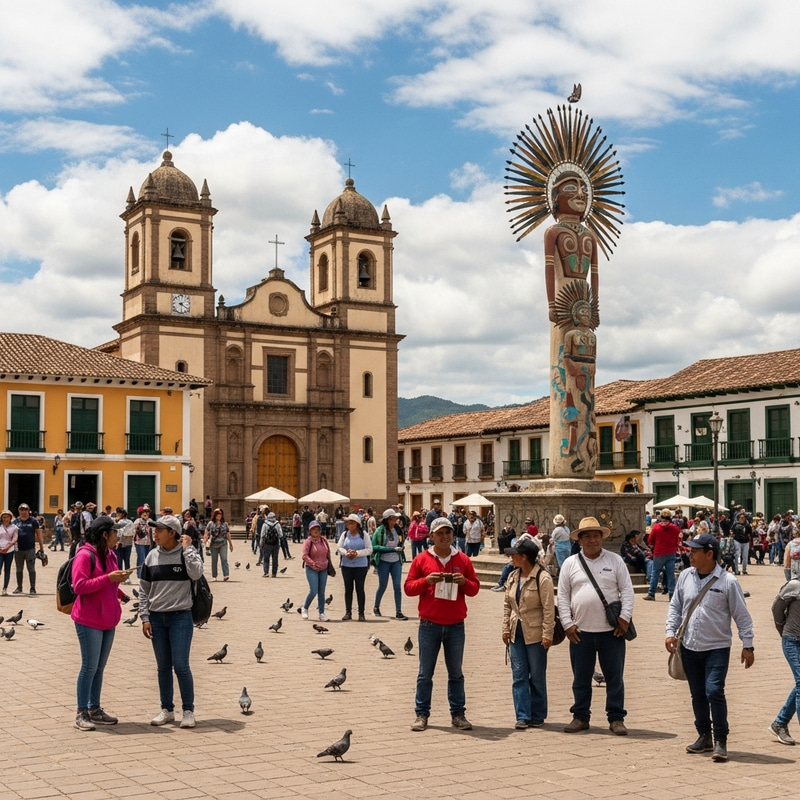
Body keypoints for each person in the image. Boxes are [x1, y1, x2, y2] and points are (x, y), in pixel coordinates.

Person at [665, 533, 754, 763]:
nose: (690, 554)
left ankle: (720, 739)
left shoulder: (728, 581)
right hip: (689, 647)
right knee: (697, 695)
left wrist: (748, 645)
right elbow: (675, 607)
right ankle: (703, 735)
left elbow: (741, 616)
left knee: (714, 690)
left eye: (694, 551)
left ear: (709, 554)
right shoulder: (685, 576)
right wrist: (669, 633)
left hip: (717, 647)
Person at [557, 516, 634, 735]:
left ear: (602, 538)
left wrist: (625, 618)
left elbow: (627, 590)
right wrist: (567, 623)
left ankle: (616, 718)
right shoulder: (570, 563)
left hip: (612, 631)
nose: (593, 540)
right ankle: (580, 716)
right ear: (579, 540)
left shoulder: (615, 560)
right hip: (580, 631)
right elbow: (562, 595)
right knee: (581, 678)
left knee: (614, 678)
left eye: (596, 536)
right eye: (587, 536)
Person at [404, 516, 481, 731]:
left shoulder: (463, 560)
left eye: (448, 533)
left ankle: (458, 715)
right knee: (424, 673)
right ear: (431, 537)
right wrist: (425, 581)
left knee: (456, 673)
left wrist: (464, 582)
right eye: (440, 533)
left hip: (456, 625)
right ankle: (421, 715)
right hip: (429, 625)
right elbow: (408, 588)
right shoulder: (421, 560)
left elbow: (475, 589)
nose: (445, 537)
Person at [139, 514, 203, 729]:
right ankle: (167, 709)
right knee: (163, 667)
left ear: (172, 533)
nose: (154, 534)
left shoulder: (185, 554)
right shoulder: (151, 557)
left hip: (180, 618)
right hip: (157, 618)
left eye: (159, 530)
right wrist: (145, 617)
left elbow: (196, 574)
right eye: (154, 530)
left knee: (181, 666)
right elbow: (143, 591)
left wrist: (188, 549)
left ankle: (188, 710)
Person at [71, 516, 132, 730]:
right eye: (115, 532)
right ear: (105, 535)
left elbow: (108, 581)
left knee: (99, 667)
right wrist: (109, 578)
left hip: (108, 618)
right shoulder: (85, 555)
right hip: (89, 619)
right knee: (89, 666)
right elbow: (79, 585)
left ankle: (94, 708)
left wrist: (120, 588)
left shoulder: (111, 554)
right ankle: (81, 712)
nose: (118, 536)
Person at [502, 538, 554, 728]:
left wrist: (548, 634)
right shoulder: (513, 576)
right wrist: (505, 628)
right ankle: (522, 715)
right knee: (519, 674)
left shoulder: (543, 578)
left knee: (537, 675)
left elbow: (549, 610)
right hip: (517, 631)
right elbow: (508, 605)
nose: (511, 558)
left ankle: (538, 714)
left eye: (514, 555)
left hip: (536, 633)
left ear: (524, 557)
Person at [769, 577, 800, 745]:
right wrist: (782, 628)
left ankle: (780, 723)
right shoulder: (795, 586)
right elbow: (776, 609)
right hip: (792, 640)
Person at [372, 508, 408, 619]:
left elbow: (401, 542)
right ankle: (376, 607)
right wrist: (391, 549)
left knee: (397, 586)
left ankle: (398, 611)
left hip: (396, 561)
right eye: (394, 518)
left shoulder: (397, 530)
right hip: (384, 561)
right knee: (383, 585)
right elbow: (374, 547)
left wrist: (401, 548)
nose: (396, 520)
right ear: (388, 519)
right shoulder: (380, 531)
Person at [337, 513, 372, 621]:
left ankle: (361, 613)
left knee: (359, 589)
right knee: (348, 589)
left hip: (360, 565)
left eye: (351, 523)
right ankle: (348, 612)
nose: (348, 525)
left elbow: (369, 549)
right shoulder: (344, 534)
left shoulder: (364, 535)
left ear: (357, 524)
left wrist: (357, 553)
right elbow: (339, 547)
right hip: (346, 565)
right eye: (347, 523)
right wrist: (346, 552)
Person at [644, 508, 681, 601]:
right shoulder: (675, 528)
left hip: (659, 552)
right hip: (671, 552)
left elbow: (650, 540)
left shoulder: (656, 527)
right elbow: (678, 539)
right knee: (670, 574)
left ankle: (651, 593)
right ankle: (672, 595)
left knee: (655, 573)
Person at [300, 520, 331, 622]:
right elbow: (304, 555)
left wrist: (328, 563)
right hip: (312, 568)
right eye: (314, 530)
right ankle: (305, 607)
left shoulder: (324, 541)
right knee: (313, 590)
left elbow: (328, 553)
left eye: (318, 529)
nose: (316, 532)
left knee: (321, 592)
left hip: (323, 569)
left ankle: (321, 613)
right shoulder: (308, 542)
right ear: (310, 531)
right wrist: (313, 563)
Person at [12, 503, 43, 595]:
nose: (23, 512)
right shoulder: (15, 521)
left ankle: (32, 588)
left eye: (25, 510)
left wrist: (41, 547)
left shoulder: (33, 521)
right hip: (18, 549)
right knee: (19, 568)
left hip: (30, 548)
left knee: (31, 568)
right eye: (21, 510)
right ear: (19, 511)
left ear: (28, 510)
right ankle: (19, 587)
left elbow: (39, 533)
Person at [203, 507, 232, 581]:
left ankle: (226, 575)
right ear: (215, 515)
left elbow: (228, 534)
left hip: (223, 544)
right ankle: (214, 576)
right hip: (213, 545)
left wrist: (231, 544)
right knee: (214, 560)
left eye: (220, 515)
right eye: (218, 515)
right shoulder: (210, 523)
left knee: (224, 559)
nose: (219, 516)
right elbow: (206, 532)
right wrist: (205, 541)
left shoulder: (225, 524)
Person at [0, 510, 18, 596]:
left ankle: (5, 588)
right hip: (0, 550)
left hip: (9, 550)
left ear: (10, 518)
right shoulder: (0, 527)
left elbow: (14, 539)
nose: (5, 519)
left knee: (7, 569)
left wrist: (7, 548)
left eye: (7, 517)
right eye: (3, 517)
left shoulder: (14, 527)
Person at [114, 508, 135, 583]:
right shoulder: (130, 522)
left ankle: (120, 577)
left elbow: (120, 533)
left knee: (119, 561)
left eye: (117, 513)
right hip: (128, 543)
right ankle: (127, 578)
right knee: (127, 561)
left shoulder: (120, 522)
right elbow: (133, 532)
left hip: (120, 543)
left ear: (121, 514)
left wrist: (118, 541)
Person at [260, 511, 282, 578]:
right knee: (275, 559)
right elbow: (281, 534)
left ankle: (266, 572)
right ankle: (274, 573)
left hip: (267, 544)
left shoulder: (265, 524)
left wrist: (261, 543)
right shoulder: (277, 524)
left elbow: (262, 535)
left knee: (266, 558)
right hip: (275, 544)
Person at [730, 511, 752, 576]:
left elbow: (750, 534)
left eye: (743, 517)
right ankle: (736, 570)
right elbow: (731, 530)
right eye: (741, 517)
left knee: (745, 556)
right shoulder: (735, 524)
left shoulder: (748, 525)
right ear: (738, 518)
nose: (742, 519)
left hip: (745, 542)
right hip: (737, 540)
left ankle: (744, 570)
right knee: (737, 555)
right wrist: (732, 533)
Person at [133, 506, 152, 578]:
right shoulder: (138, 521)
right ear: (141, 514)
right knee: (141, 558)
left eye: (147, 514)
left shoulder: (150, 521)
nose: (146, 515)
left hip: (148, 542)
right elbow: (137, 530)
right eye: (144, 514)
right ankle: (140, 574)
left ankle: (146, 574)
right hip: (140, 542)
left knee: (147, 558)